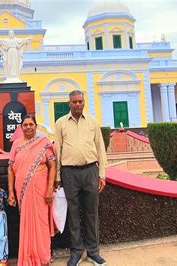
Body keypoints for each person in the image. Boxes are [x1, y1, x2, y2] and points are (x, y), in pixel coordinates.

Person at [54, 90, 108, 266]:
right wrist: (57, 176)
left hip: (90, 171)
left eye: (80, 101)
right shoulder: (61, 123)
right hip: (69, 173)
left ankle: (93, 252)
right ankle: (76, 251)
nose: (77, 104)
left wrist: (102, 174)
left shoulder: (93, 121)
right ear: (69, 103)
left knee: (92, 212)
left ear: (84, 102)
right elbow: (57, 150)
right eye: (74, 102)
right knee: (74, 214)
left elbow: (100, 148)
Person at [7, 115, 56, 265]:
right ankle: (28, 256)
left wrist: (49, 189)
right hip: (22, 190)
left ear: (36, 126)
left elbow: (52, 166)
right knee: (26, 222)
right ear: (21, 127)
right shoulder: (16, 144)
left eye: (31, 124)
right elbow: (10, 169)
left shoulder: (44, 143)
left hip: (41, 190)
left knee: (41, 222)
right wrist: (10, 192)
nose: (28, 127)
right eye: (25, 125)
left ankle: (43, 257)